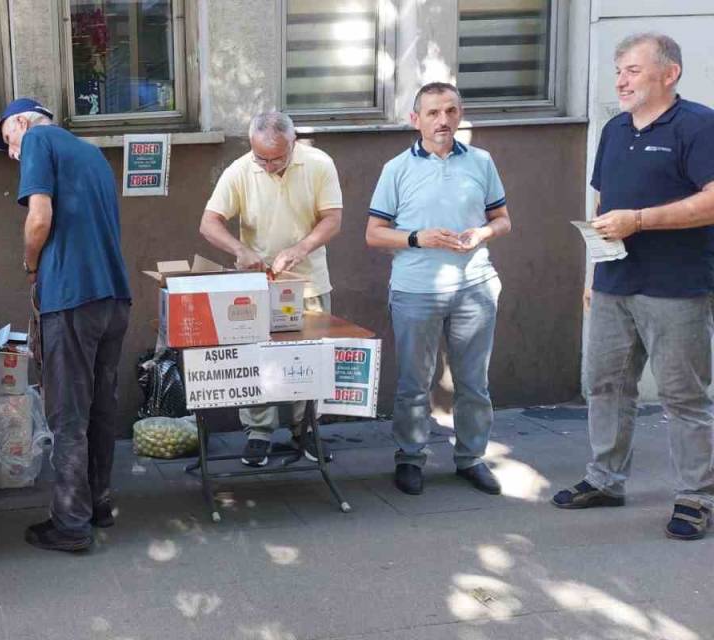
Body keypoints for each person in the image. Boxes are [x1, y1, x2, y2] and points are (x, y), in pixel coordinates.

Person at [551, 33, 714, 541]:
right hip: (613, 284)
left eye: (633, 70)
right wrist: (591, 275)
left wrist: (640, 220)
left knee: (683, 396)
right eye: (619, 70)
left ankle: (696, 496)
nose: (621, 80)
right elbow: (602, 208)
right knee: (605, 386)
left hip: (677, 287)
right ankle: (605, 479)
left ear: (670, 74)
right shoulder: (615, 129)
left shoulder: (699, 126)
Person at [0, 98, 132, 552]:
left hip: (71, 296)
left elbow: (40, 217)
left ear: (22, 122)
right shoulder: (90, 152)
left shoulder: (37, 139)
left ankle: (71, 524)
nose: (12, 152)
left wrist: (30, 264)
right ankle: (100, 504)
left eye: (8, 140)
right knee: (101, 406)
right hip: (113, 295)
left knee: (68, 411)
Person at [365, 82, 512, 497]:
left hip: (475, 287)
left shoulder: (481, 161)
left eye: (450, 111)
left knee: (473, 382)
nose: (442, 120)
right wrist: (417, 238)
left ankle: (471, 459)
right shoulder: (397, 168)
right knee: (414, 382)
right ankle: (410, 458)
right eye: (432, 113)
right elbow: (374, 234)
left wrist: (483, 232)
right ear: (416, 120)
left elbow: (503, 220)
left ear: (459, 115)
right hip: (416, 290)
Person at [199, 111, 343, 467]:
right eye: (259, 157)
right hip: (258, 283)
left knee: (308, 357)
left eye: (276, 157)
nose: (266, 165)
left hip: (308, 281)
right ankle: (258, 432)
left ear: (293, 143)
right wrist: (239, 250)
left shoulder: (319, 164)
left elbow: (332, 219)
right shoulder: (241, 169)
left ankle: (305, 427)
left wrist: (300, 248)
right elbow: (209, 223)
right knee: (255, 356)